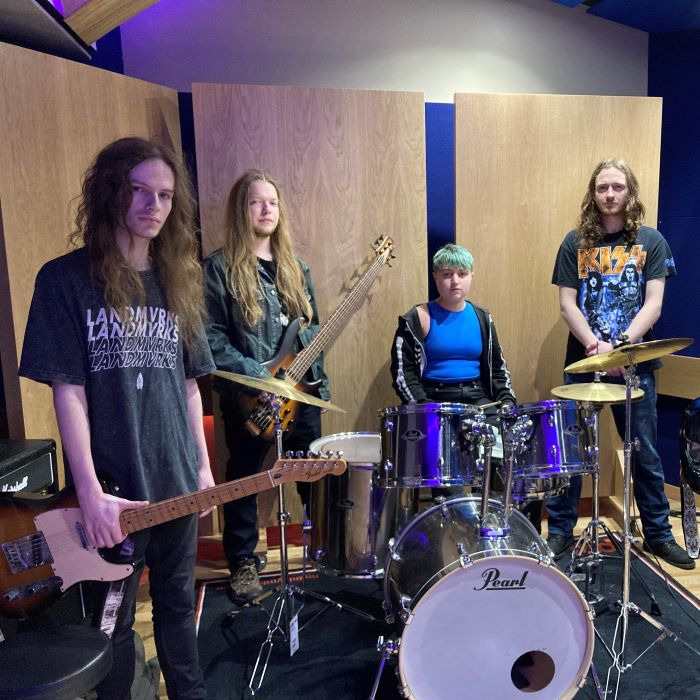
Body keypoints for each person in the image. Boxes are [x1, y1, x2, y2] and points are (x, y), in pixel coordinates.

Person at [19, 137, 214, 697]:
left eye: (165, 195)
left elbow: (189, 386)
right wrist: (90, 493)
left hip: (176, 485)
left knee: (178, 610)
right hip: (113, 493)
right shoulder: (64, 281)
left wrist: (201, 472)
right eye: (139, 191)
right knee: (115, 626)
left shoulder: (180, 279)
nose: (154, 206)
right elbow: (68, 392)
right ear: (111, 194)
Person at [545, 157, 694, 569]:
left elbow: (655, 303)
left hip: (635, 367)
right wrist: (596, 346)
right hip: (583, 363)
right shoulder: (575, 243)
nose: (609, 195)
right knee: (572, 451)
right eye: (602, 188)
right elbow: (566, 304)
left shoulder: (651, 240)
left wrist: (622, 348)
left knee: (644, 452)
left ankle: (659, 536)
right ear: (593, 194)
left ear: (630, 192)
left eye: (617, 187)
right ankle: (559, 531)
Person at [204, 169, 330, 602]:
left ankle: (323, 551)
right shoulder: (219, 269)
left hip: (301, 392)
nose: (266, 209)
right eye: (256, 202)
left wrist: (316, 385)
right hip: (250, 397)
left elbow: (310, 333)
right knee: (243, 477)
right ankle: (242, 562)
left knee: (313, 473)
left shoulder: (298, 269)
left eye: (273, 202)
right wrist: (259, 378)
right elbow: (210, 338)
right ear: (242, 210)